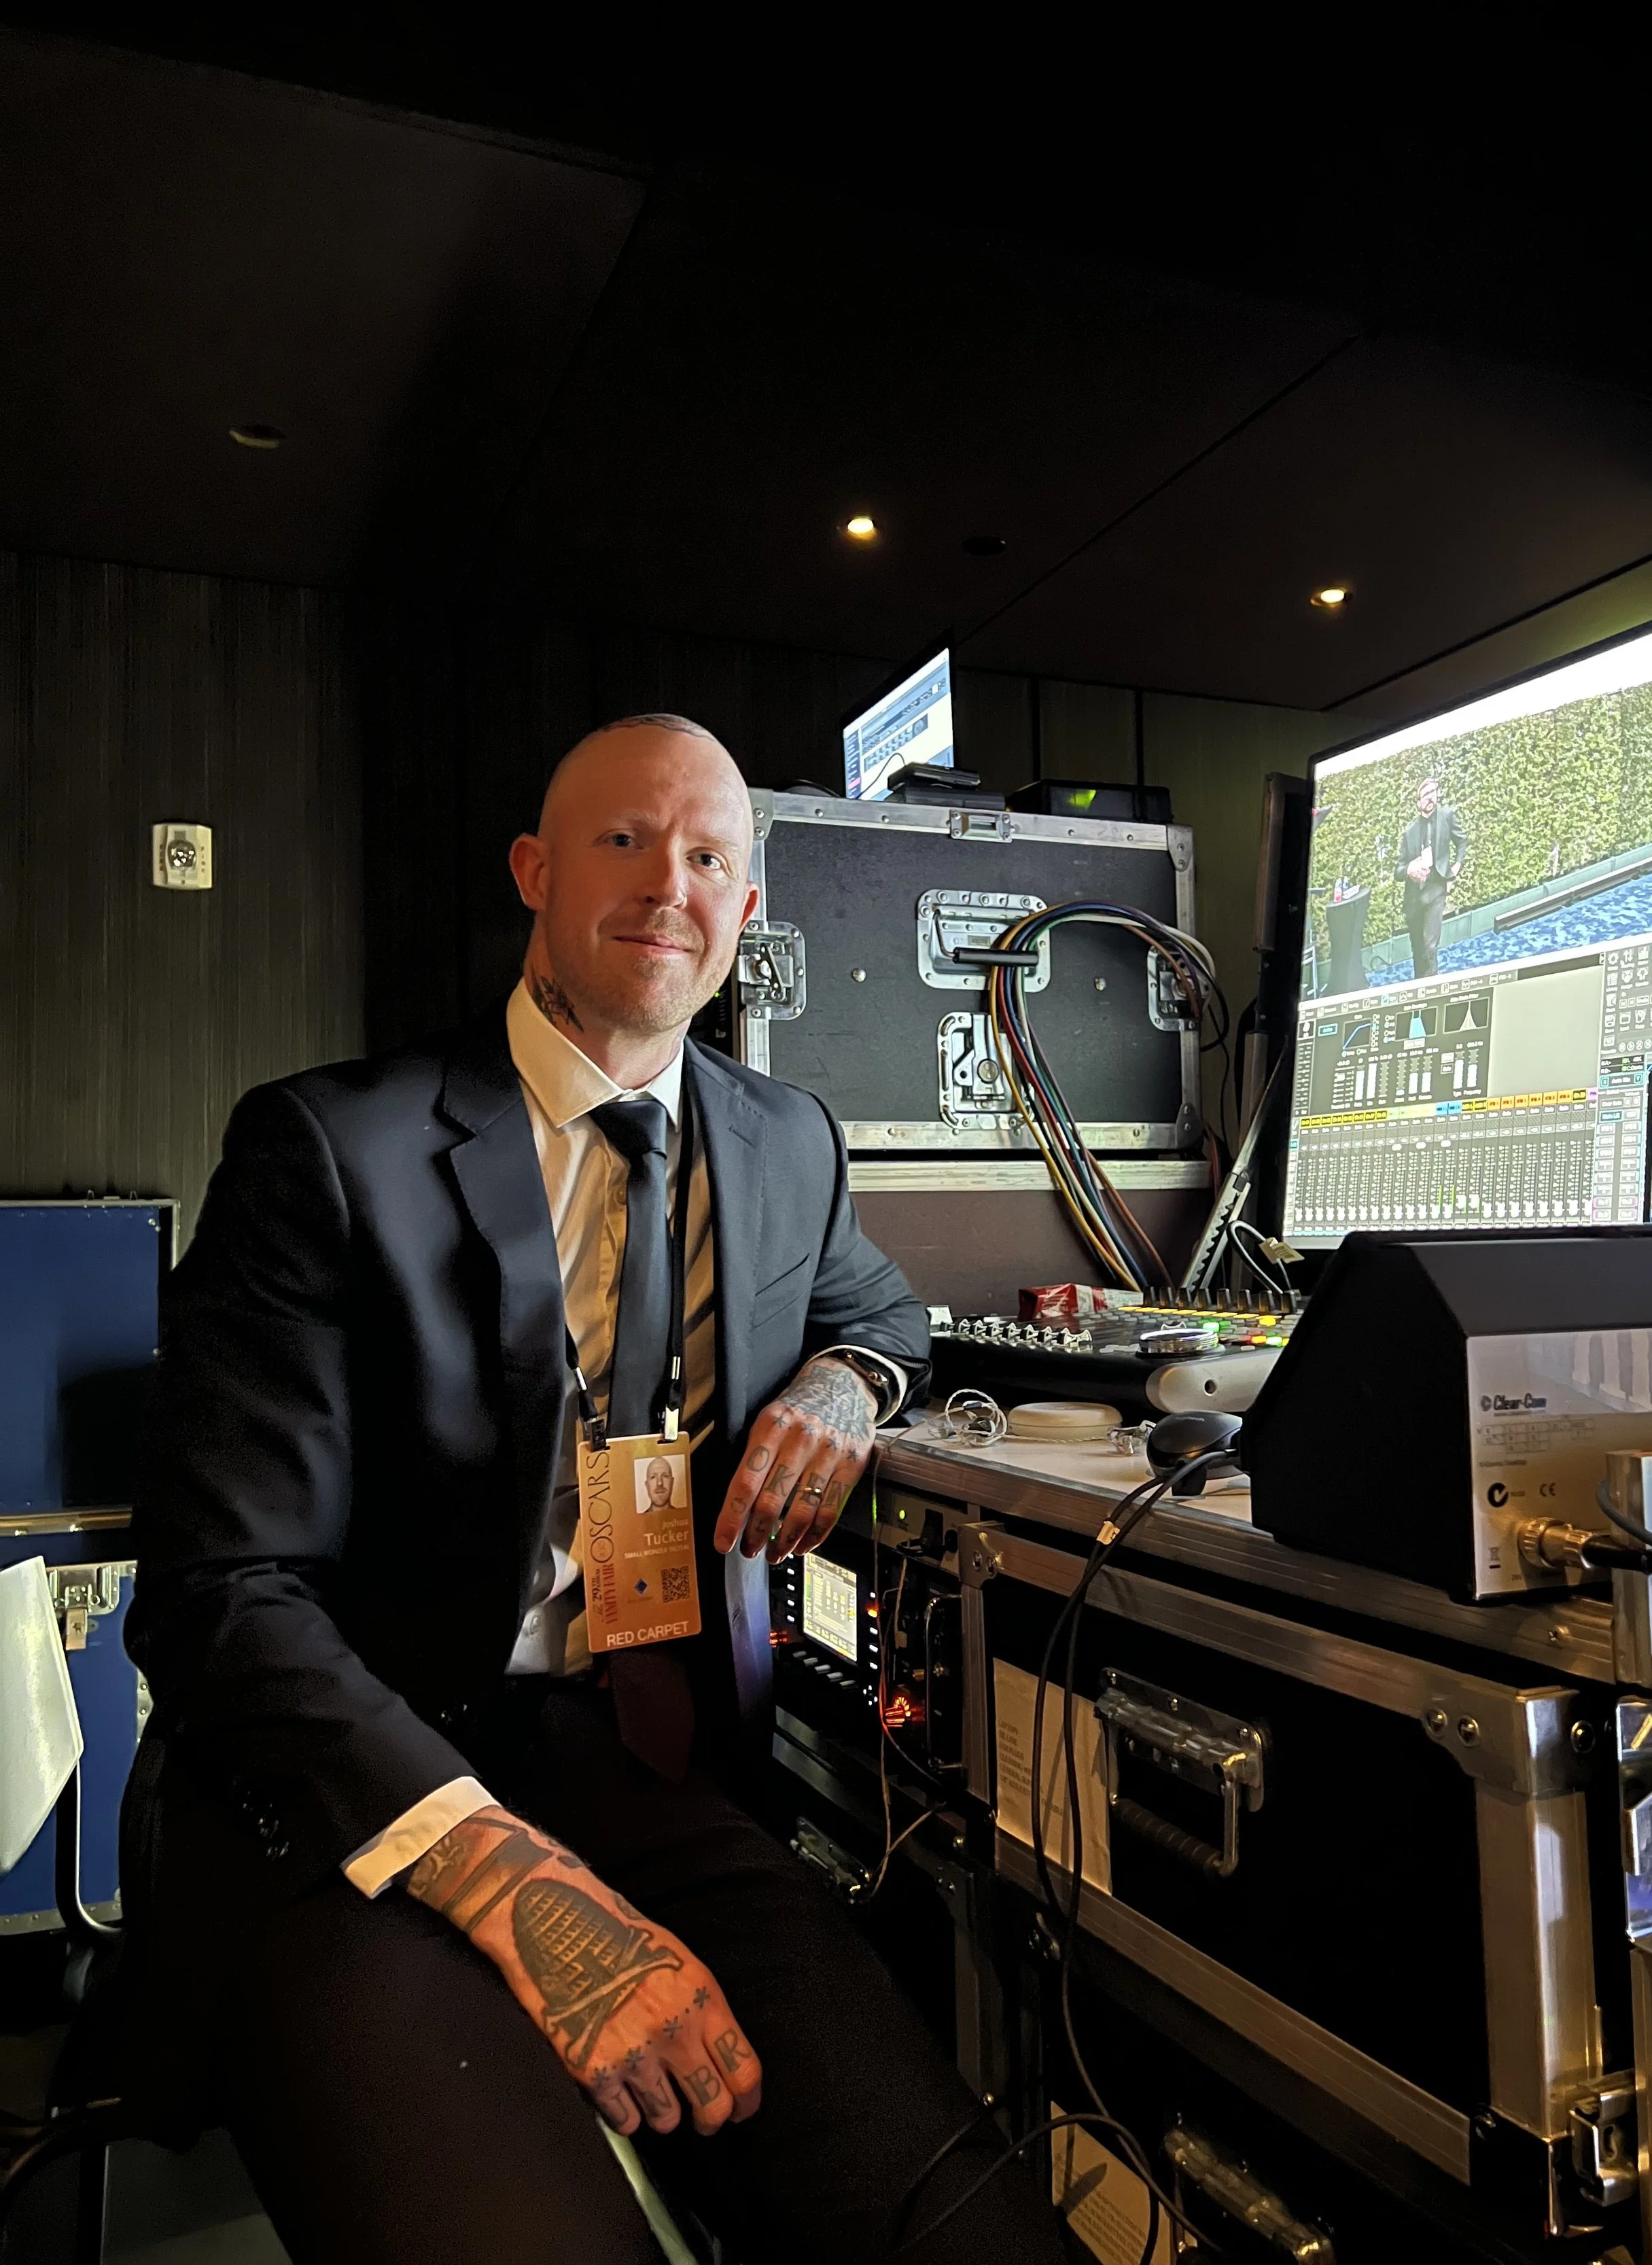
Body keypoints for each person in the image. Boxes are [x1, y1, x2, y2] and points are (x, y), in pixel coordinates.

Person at [120, 716, 1068, 2265]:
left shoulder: (785, 1143)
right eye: (624, 841)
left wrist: (847, 1385)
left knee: (958, 2228)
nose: (667, 884)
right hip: (353, 1794)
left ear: (746, 916)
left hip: (643, 1774)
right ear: (534, 873)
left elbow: (883, 1314)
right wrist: (515, 1887)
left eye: (708, 856)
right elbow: (221, 1593)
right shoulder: (327, 1147)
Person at [1397, 774, 1466, 980]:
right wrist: (1410, 869)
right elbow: (1398, 871)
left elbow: (1462, 841)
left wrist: (1457, 866)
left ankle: (1432, 988)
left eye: (1433, 792)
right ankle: (1420, 985)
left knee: (1430, 944)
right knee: (1418, 947)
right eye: (1425, 794)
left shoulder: (1447, 816)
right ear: (1418, 802)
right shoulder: (1409, 832)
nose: (1430, 797)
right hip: (1414, 896)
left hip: (1437, 889)